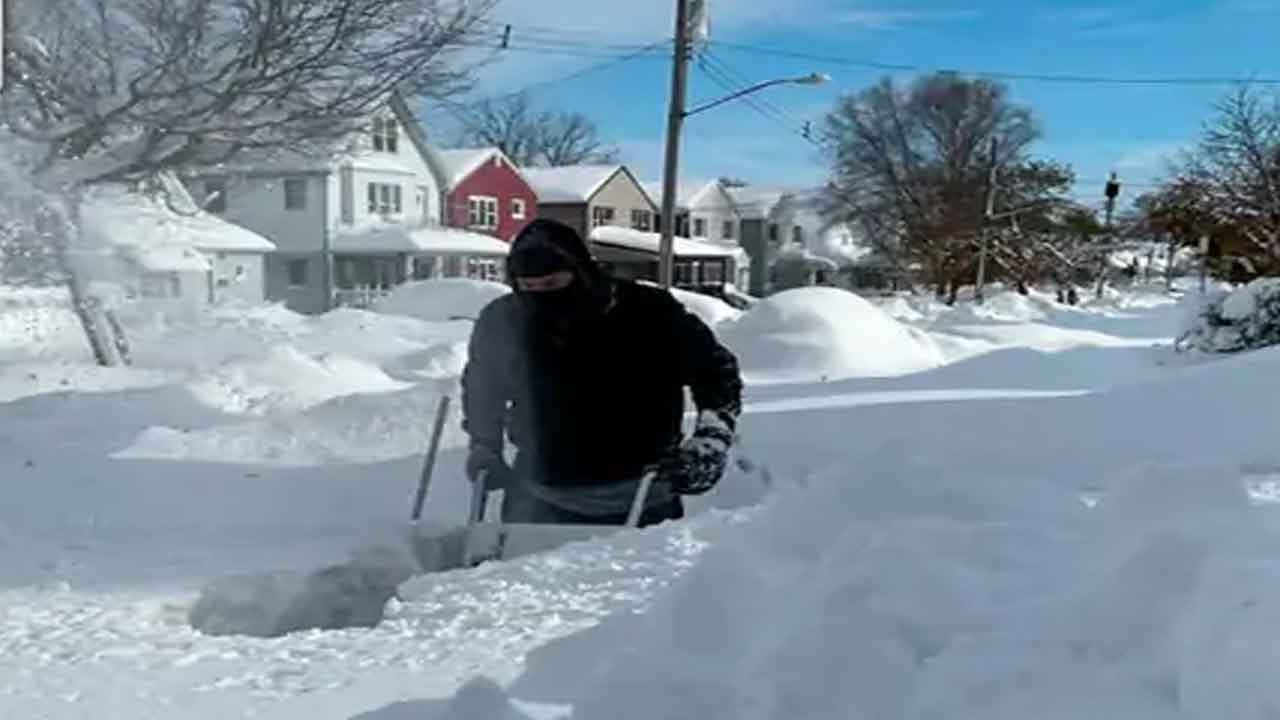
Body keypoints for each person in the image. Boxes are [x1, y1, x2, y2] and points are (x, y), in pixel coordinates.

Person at [461, 218, 743, 527]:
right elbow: (483, 389)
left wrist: (711, 439)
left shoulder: (648, 312)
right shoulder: (505, 320)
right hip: (537, 495)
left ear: (581, 272)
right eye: (529, 287)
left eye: (553, 284)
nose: (540, 295)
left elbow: (716, 373)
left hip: (642, 495)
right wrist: (484, 445)